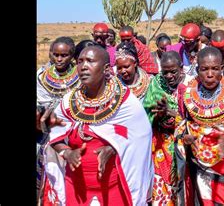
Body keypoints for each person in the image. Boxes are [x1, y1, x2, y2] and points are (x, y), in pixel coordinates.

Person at [42, 45, 154, 205]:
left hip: (114, 189)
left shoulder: (125, 103)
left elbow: (140, 137)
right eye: (80, 62)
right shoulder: (68, 101)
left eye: (90, 61)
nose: (83, 67)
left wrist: (114, 148)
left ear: (106, 68)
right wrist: (67, 153)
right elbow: (55, 134)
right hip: (76, 188)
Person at [174, 46, 224, 206]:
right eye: (204, 69)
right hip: (197, 164)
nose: (209, 74)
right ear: (197, 70)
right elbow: (182, 123)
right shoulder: (187, 95)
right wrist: (184, 136)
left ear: (222, 68)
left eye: (215, 69)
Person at [142, 51, 193, 205]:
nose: (169, 76)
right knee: (162, 188)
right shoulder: (155, 84)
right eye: (165, 72)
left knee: (183, 186)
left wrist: (170, 113)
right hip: (160, 145)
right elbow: (147, 115)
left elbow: (195, 119)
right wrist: (158, 115)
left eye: (173, 72)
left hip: (184, 146)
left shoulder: (191, 86)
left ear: (181, 68)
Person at [36, 37, 79, 200]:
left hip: (73, 133)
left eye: (64, 55)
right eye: (56, 55)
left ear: (72, 56)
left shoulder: (81, 75)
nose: (59, 59)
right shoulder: (41, 77)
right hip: (46, 133)